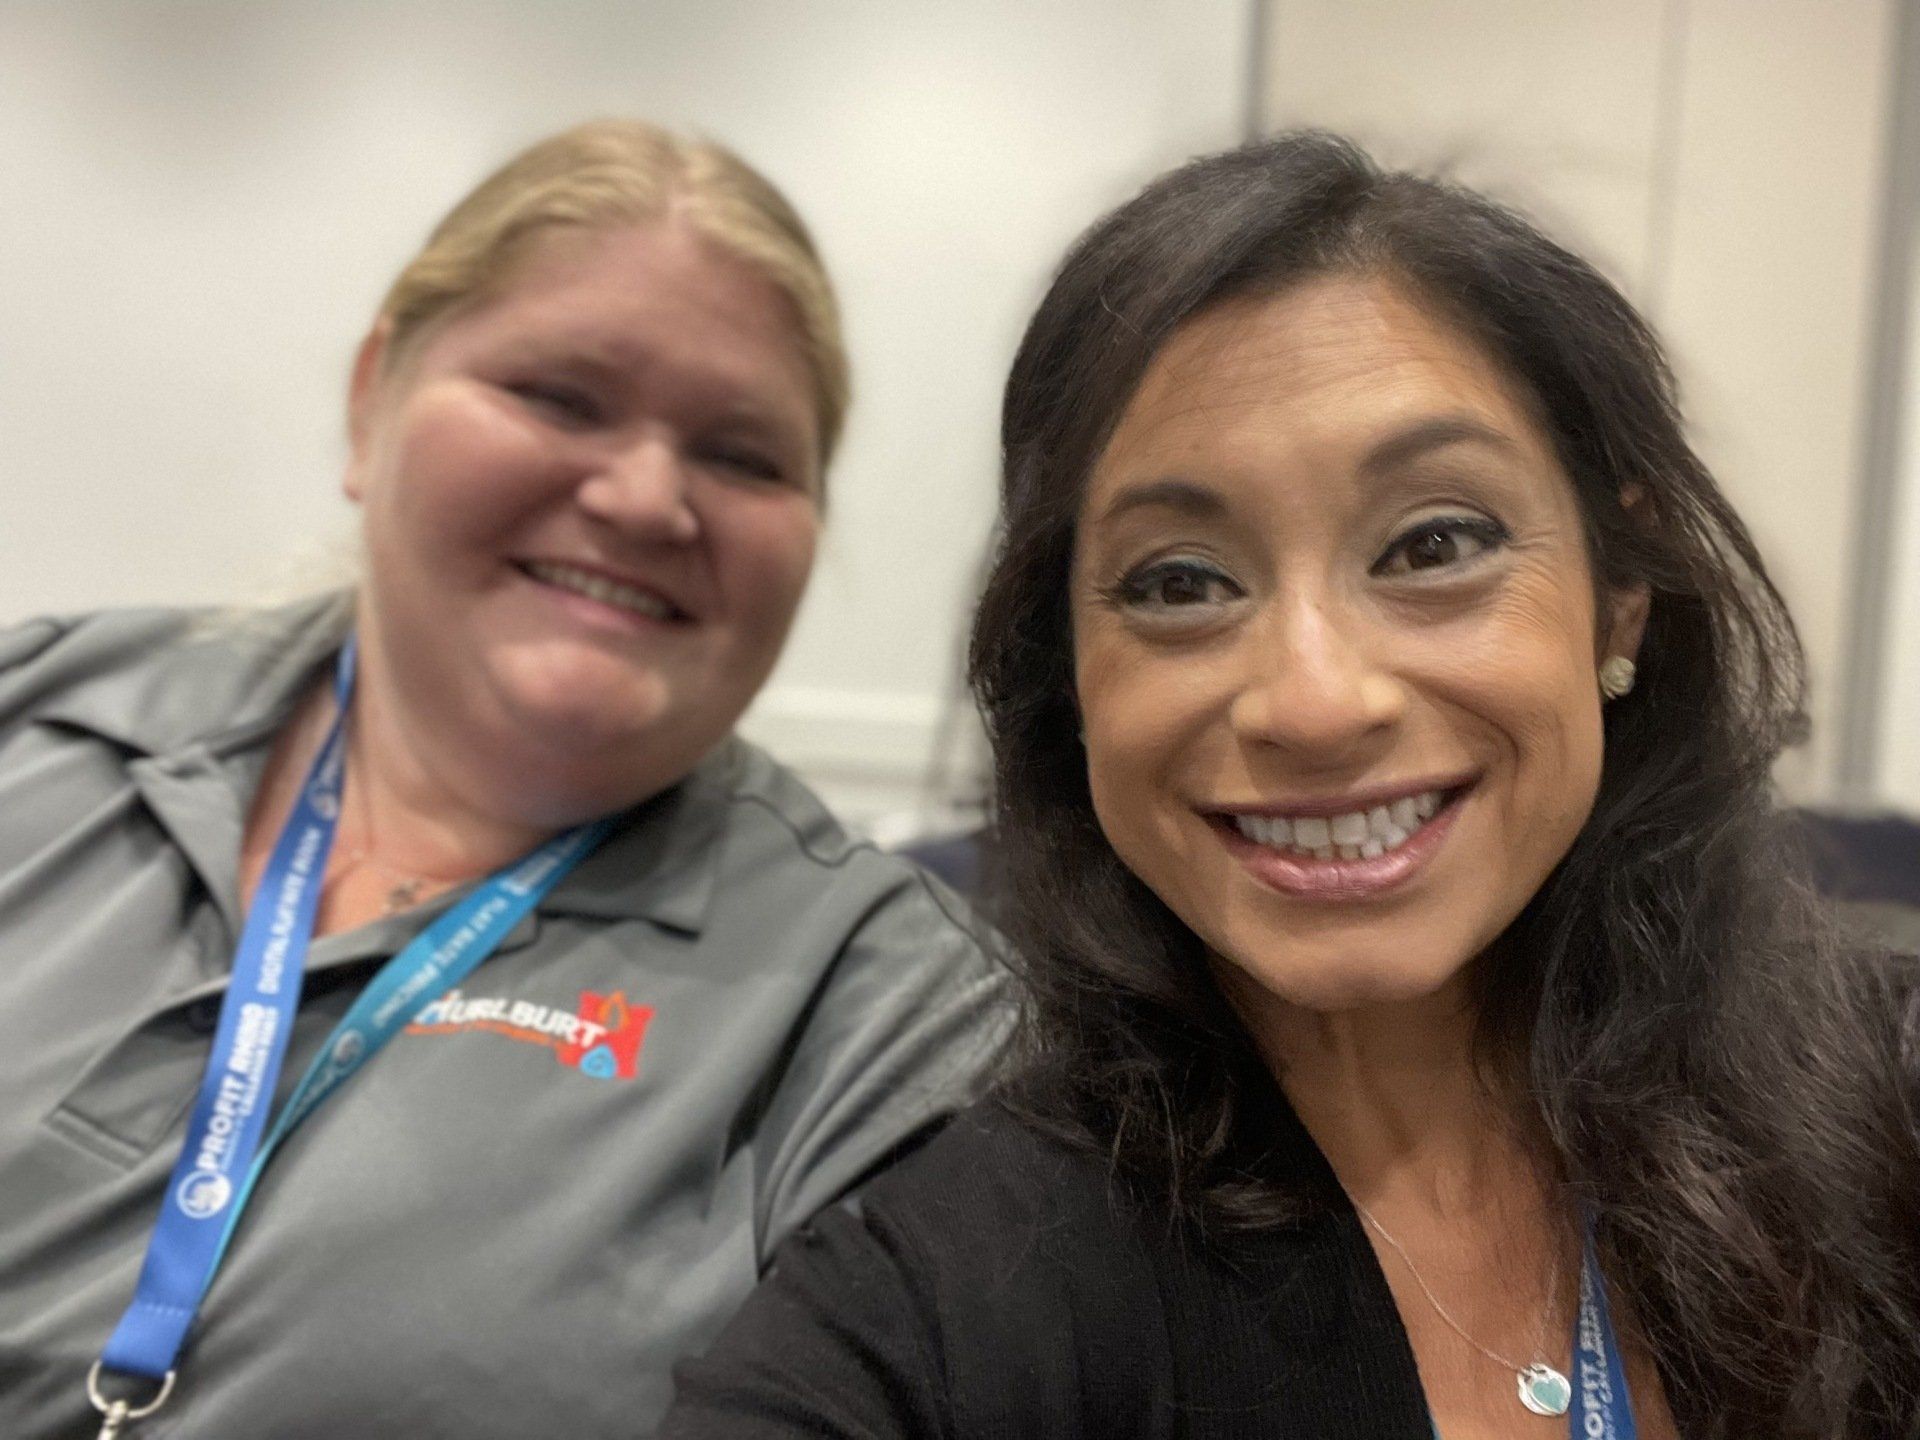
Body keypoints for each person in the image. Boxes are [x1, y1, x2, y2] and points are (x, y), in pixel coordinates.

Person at [662, 132, 1920, 1439]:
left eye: (1435, 543)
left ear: (1619, 601)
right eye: (1179, 583)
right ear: (1069, 679)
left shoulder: (1888, 1103)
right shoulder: (949, 1300)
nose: (1317, 703)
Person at [0, 119, 1007, 1438]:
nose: (649, 498)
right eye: (561, 397)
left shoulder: (887, 1015)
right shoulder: (39, 712)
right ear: (373, 402)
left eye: (743, 455)